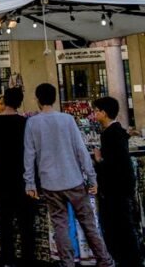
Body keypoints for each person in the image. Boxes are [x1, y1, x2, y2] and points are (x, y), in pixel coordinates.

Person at [24, 83, 114, 267]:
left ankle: (67, 263)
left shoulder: (32, 123)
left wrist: (30, 184)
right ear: (55, 98)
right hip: (74, 180)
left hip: (50, 183)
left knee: (60, 226)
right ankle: (104, 261)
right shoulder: (67, 120)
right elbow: (81, 150)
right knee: (88, 224)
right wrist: (92, 177)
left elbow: (29, 154)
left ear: (37, 99)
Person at [0, 88, 35, 266]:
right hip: (21, 176)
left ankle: (8, 259)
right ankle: (28, 259)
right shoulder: (26, 123)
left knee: (4, 222)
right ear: (20, 102)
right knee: (26, 222)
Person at [91, 96, 144, 267]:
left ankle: (128, 259)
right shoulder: (116, 132)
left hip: (116, 190)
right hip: (121, 189)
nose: (94, 114)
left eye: (96, 111)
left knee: (120, 227)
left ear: (104, 113)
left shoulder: (110, 135)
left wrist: (99, 159)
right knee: (123, 226)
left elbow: (113, 164)